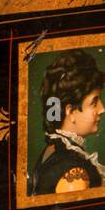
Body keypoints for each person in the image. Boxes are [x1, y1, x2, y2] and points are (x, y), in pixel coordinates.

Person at [32, 49, 105, 195]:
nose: (102, 109)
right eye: (94, 102)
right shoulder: (74, 172)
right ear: (70, 111)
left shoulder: (55, 148)